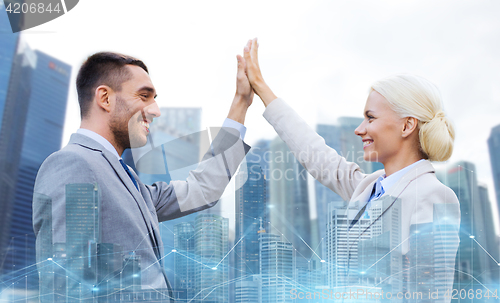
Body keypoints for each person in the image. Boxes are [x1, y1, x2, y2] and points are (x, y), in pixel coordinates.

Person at [242, 38, 460, 302]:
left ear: (407, 126)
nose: (359, 129)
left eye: (371, 117)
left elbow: (429, 295)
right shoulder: (367, 188)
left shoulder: (434, 195)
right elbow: (316, 156)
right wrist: (263, 89)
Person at [32, 52, 253, 302]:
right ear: (105, 98)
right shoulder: (73, 164)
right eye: (144, 96)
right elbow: (66, 288)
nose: (156, 111)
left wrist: (242, 102)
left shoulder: (133, 185)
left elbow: (202, 189)